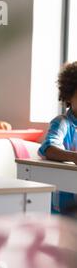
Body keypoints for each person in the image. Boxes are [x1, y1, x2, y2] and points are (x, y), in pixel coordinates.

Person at [38, 62, 77, 215]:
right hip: (64, 208)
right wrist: (74, 157)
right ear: (69, 96)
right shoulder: (62, 123)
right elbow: (49, 148)